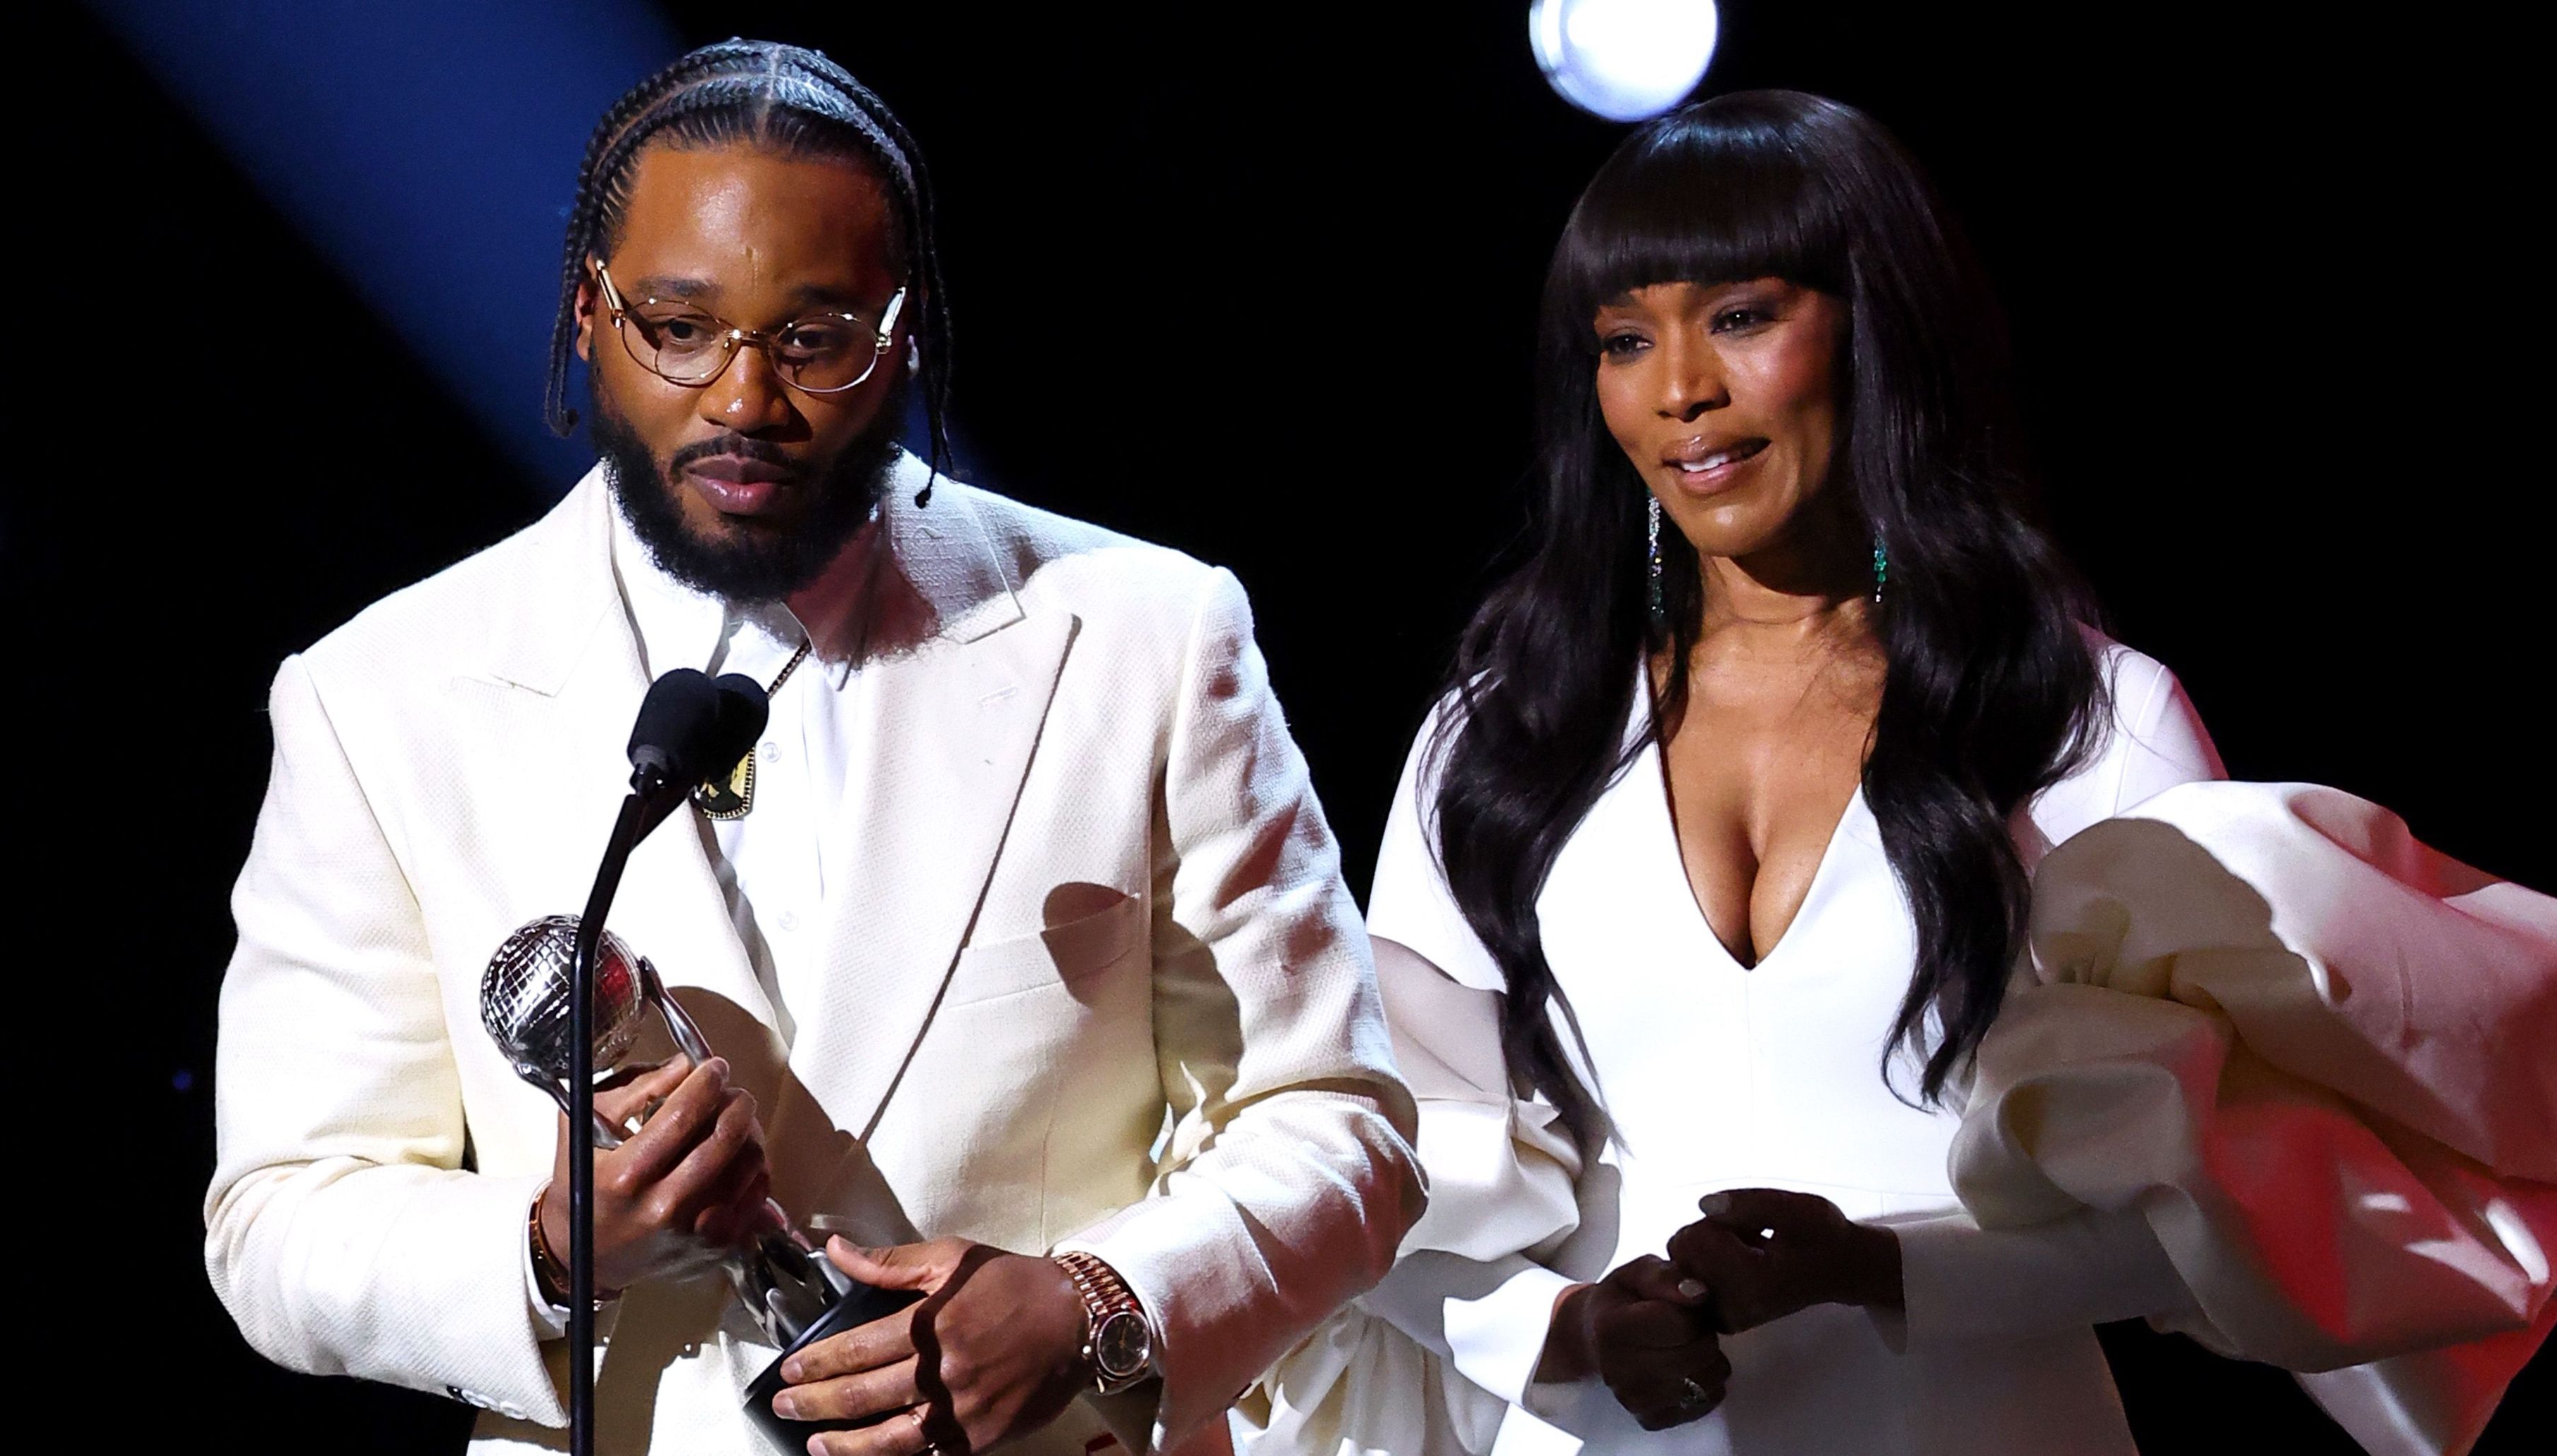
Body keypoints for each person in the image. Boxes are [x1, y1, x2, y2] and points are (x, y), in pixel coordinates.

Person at [204, 40, 1420, 1456]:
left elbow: (1338, 1121)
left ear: (905, 332)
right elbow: (280, 1218)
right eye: (678, 325)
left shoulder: (1148, 633)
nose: (741, 400)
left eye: (813, 337)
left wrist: (1098, 1304)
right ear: (587, 317)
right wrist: (552, 1248)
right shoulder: (380, 694)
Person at [1250, 90, 2225, 1456]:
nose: (1678, 389)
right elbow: (1379, 1167)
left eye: (1742, 316)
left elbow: (2219, 1201)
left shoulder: (2090, 725)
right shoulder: (1506, 738)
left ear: (1873, 327)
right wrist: (1566, 1330)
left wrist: (1879, 1269)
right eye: (1624, 339)